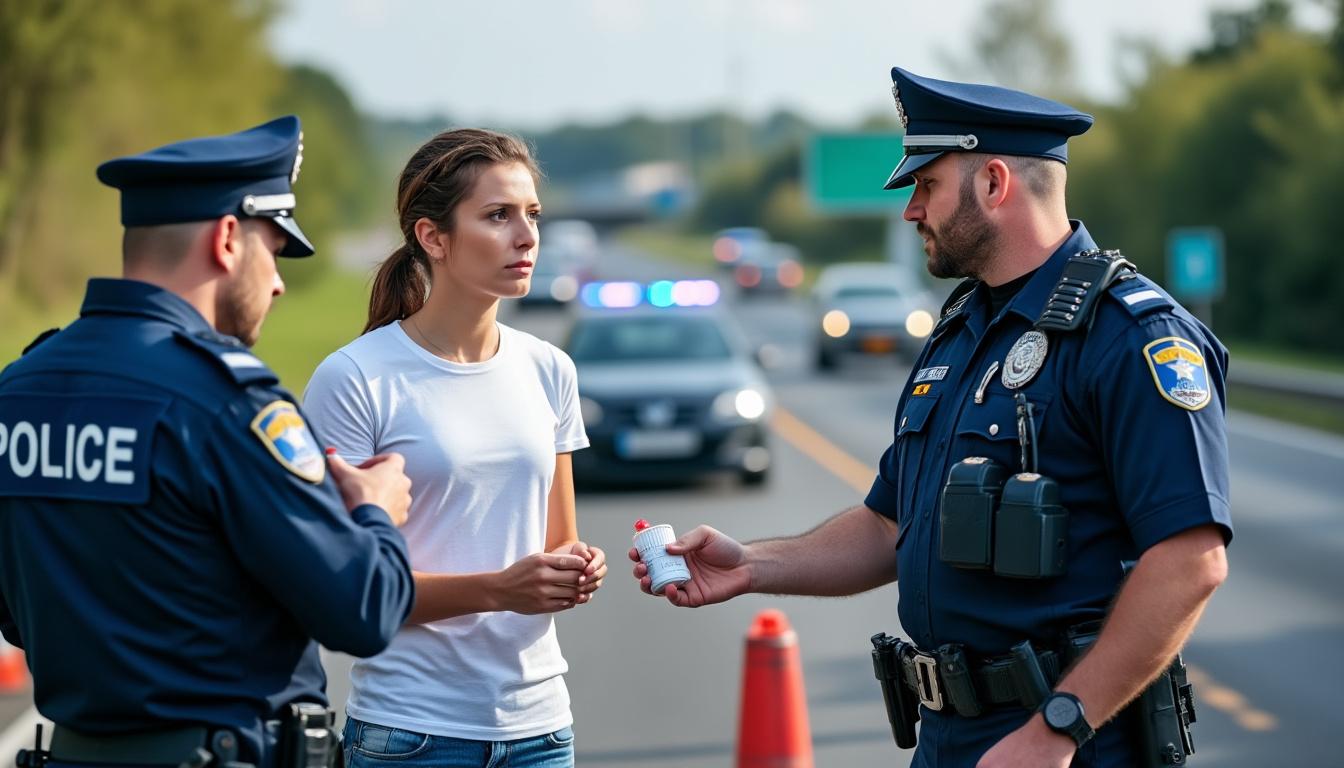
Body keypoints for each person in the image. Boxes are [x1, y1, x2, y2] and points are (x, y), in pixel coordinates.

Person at [630, 68, 1231, 768]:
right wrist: (750, 565)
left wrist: (1056, 731)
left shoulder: (1129, 336)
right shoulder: (959, 333)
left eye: (926, 186)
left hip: (1066, 744)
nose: (911, 211)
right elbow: (890, 524)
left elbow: (1190, 560)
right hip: (950, 737)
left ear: (995, 183)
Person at [0, 116, 417, 768]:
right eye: (274, 250)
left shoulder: (19, 390)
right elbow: (364, 612)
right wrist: (376, 510)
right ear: (228, 240)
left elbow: (19, 616)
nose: (278, 281)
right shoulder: (226, 404)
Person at [302, 128, 605, 768]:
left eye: (532, 215)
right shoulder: (355, 378)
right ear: (432, 237)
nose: (526, 237)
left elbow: (558, 543)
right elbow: (345, 590)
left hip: (542, 731)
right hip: (410, 734)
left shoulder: (551, 369)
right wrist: (497, 589)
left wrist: (575, 570)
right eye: (497, 216)